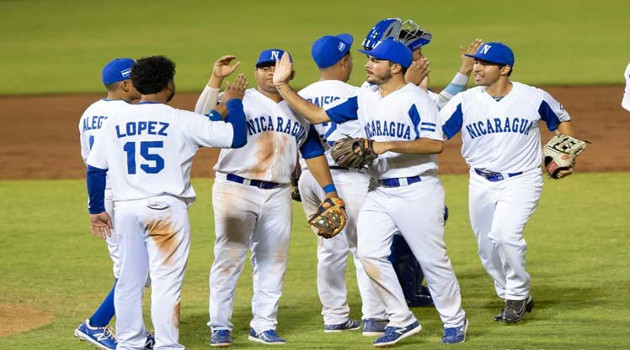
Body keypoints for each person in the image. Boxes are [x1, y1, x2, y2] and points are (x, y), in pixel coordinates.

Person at [273, 38, 468, 346]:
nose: (366, 64)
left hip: (418, 191)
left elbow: (435, 144)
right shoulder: (365, 98)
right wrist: (282, 86)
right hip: (378, 191)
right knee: (369, 254)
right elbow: (316, 116)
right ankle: (401, 319)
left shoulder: (416, 99)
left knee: (432, 260)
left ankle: (455, 321)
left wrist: (386, 144)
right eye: (367, 59)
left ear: (395, 67)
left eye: (374, 60)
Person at [86, 55, 248, 349]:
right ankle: (166, 345)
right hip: (165, 212)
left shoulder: (114, 121)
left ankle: (130, 343)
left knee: (128, 281)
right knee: (166, 283)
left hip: (125, 210)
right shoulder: (181, 119)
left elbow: (95, 168)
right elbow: (236, 137)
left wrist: (96, 209)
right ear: (168, 84)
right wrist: (234, 101)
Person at [196, 48, 342, 347]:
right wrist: (214, 81)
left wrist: (331, 192)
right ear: (256, 71)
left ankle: (263, 325)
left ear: (289, 73)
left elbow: (313, 153)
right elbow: (201, 122)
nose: (269, 73)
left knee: (274, 262)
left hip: (277, 193)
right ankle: (220, 326)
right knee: (229, 258)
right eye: (264, 68)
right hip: (235, 188)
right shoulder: (241, 97)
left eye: (276, 68)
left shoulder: (298, 107)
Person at [440, 42, 576, 323]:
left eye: (484, 64)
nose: (476, 68)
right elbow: (436, 135)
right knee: (486, 248)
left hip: (522, 180)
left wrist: (565, 156)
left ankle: (516, 294)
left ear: (505, 69)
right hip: (479, 182)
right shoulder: (465, 101)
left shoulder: (533, 97)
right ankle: (512, 295)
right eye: (475, 62)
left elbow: (562, 119)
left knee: (504, 235)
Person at [296, 34, 388, 335]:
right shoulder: (358, 95)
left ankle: (334, 317)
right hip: (350, 179)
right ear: (345, 61)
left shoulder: (300, 96)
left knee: (329, 250)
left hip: (311, 177)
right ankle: (374, 317)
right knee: (366, 248)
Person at [75, 57, 155, 350]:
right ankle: (95, 325)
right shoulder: (125, 113)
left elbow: (89, 159)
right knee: (132, 270)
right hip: (119, 196)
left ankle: (132, 330)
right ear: (125, 84)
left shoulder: (90, 112)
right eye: (138, 78)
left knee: (134, 267)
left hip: (102, 193)